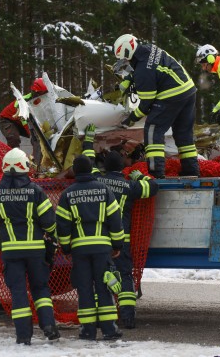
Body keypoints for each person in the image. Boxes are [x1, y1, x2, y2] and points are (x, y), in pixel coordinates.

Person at [82, 124, 159, 329]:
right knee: (125, 277)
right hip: (122, 240)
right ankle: (128, 318)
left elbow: (87, 162)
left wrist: (89, 139)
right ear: (121, 168)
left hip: (100, 241)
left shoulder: (96, 180)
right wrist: (139, 176)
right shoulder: (129, 186)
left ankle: (101, 318)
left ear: (105, 167)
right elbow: (152, 188)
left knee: (100, 277)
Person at [0, 148, 60, 345]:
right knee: (40, 289)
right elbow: (49, 222)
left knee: (18, 292)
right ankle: (49, 328)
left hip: (11, 251)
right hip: (36, 251)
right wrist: (53, 239)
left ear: (5, 168)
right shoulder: (36, 191)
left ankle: (23, 336)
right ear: (25, 166)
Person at [56, 155, 125, 341]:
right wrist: (117, 245)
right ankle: (109, 330)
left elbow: (62, 225)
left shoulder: (67, 194)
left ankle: (87, 331)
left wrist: (66, 248)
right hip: (102, 248)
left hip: (80, 250)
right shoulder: (104, 190)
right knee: (104, 288)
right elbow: (115, 219)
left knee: (84, 289)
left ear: (76, 172)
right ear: (92, 168)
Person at [113, 34, 199, 178]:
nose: (125, 62)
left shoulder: (142, 72)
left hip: (171, 95)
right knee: (184, 134)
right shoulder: (149, 49)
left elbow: (146, 103)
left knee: (153, 130)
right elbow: (148, 67)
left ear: (127, 52)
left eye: (125, 59)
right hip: (188, 91)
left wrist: (132, 117)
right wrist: (129, 79)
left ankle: (156, 173)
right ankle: (191, 171)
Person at [0, 78, 48, 167]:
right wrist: (32, 135)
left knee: (38, 139)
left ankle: (37, 164)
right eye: (41, 94)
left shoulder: (43, 101)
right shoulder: (23, 102)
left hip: (20, 122)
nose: (43, 96)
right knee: (14, 138)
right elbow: (24, 120)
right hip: (8, 120)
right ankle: (13, 162)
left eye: (45, 94)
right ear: (35, 92)